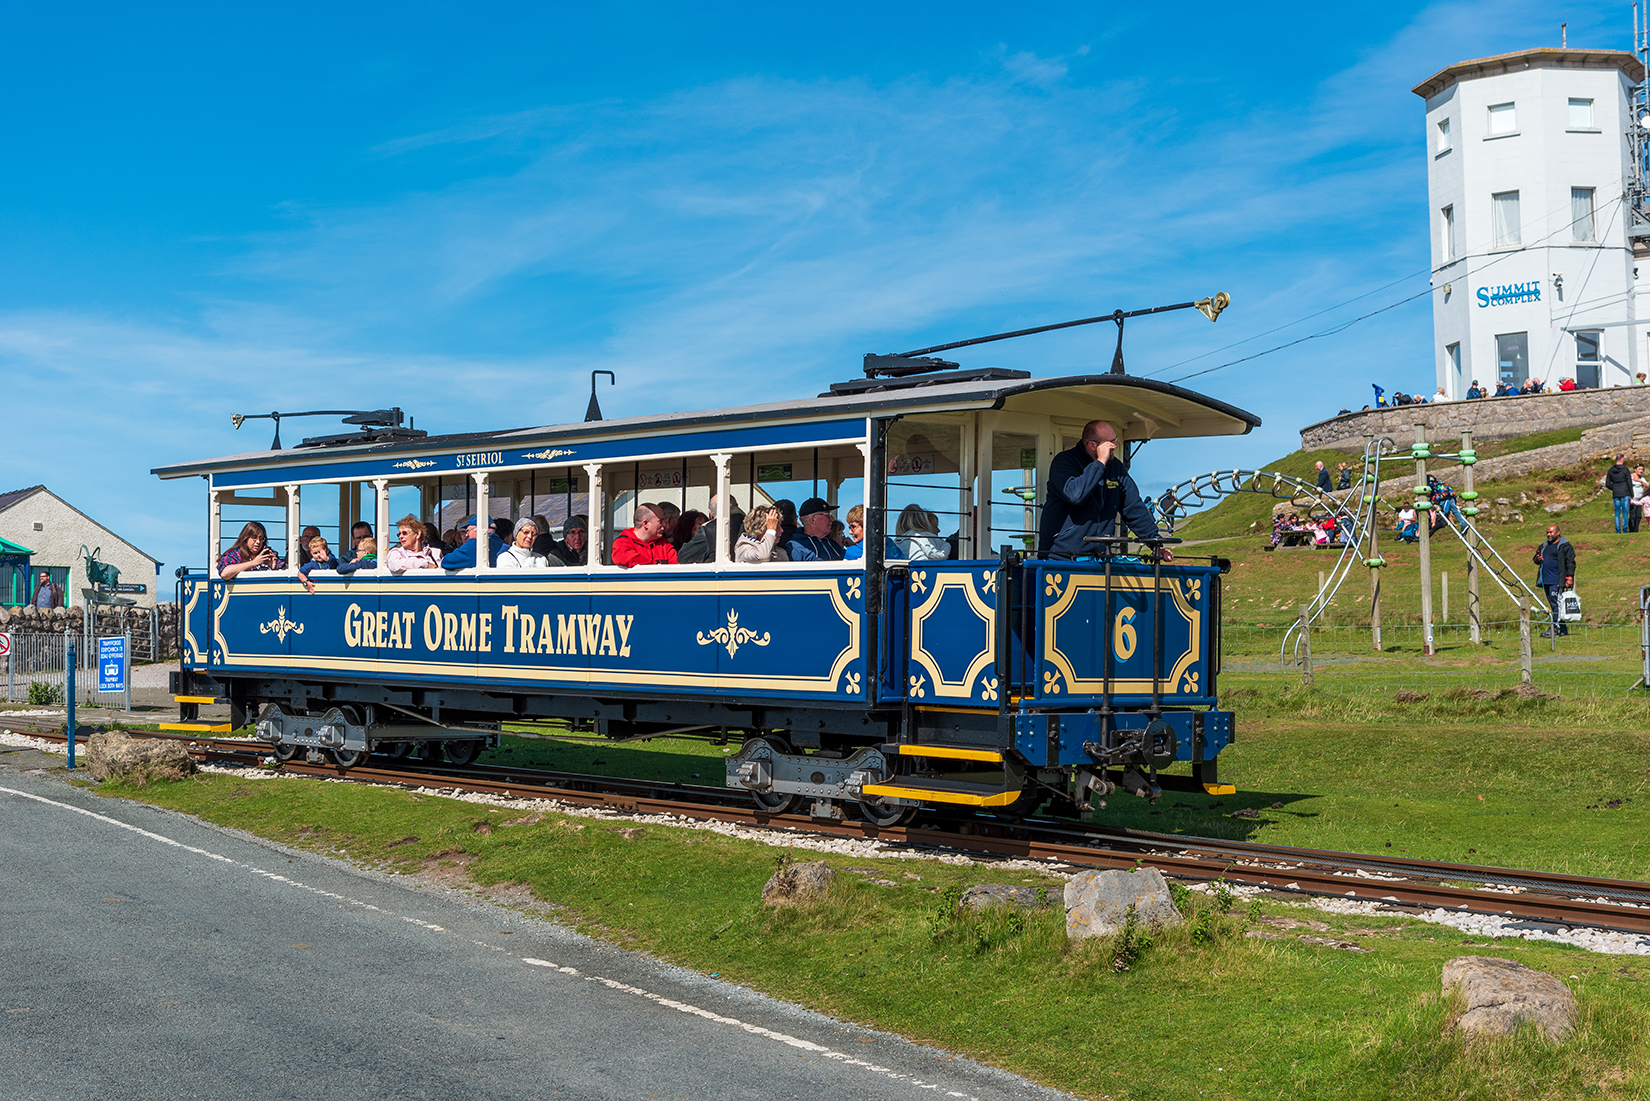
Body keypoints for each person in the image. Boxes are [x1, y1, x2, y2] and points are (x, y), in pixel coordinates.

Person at [1037, 419, 1167, 559]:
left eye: (1115, 440)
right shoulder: (1064, 462)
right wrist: (1099, 464)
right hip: (1060, 557)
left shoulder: (1115, 467)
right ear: (1093, 445)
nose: (1115, 445)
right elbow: (1075, 495)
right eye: (1110, 442)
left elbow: (1133, 507)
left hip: (1100, 558)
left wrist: (1155, 543)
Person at [1533, 524, 1575, 638]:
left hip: (1557, 580)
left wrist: (1569, 577)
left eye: (1551, 532)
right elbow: (1535, 559)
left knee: (1556, 605)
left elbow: (1570, 562)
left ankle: (1554, 629)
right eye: (1547, 532)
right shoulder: (1544, 545)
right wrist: (1537, 559)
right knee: (1553, 605)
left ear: (1558, 532)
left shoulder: (1565, 546)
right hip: (1545, 580)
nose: (1549, 535)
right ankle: (1563, 628)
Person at [678, 496, 741, 564]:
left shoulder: (708, 530)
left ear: (710, 512)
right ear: (737, 506)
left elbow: (683, 557)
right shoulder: (749, 524)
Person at [612, 503, 678, 567]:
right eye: (660, 522)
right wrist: (654, 566)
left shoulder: (664, 544)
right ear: (646, 523)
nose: (664, 524)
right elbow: (624, 558)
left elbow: (676, 568)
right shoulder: (622, 543)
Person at [218, 521, 285, 578]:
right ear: (246, 538)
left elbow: (287, 570)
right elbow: (225, 574)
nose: (258, 541)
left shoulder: (267, 554)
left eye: (261, 538)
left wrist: (274, 568)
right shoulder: (235, 555)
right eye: (254, 538)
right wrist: (254, 563)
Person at [440, 515, 506, 570]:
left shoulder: (474, 544)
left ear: (477, 530)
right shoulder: (505, 546)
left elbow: (447, 562)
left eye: (468, 530)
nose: (467, 534)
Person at [1606, 454, 1634, 533]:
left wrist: (1614, 488)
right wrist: (1632, 495)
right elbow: (1629, 482)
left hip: (1616, 493)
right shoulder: (1625, 469)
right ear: (1622, 460)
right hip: (1625, 492)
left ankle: (1618, 530)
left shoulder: (1610, 470)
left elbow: (1607, 484)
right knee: (1625, 512)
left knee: (1617, 513)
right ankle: (1625, 530)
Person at [1632, 466, 1647, 534]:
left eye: (1642, 470)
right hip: (1632, 499)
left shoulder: (1642, 478)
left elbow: (1647, 485)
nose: (1641, 471)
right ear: (1635, 470)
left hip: (1640, 499)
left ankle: (1636, 530)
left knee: (1638, 515)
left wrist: (1640, 481)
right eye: (1639, 469)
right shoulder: (1630, 477)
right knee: (1633, 515)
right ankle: (1632, 530)